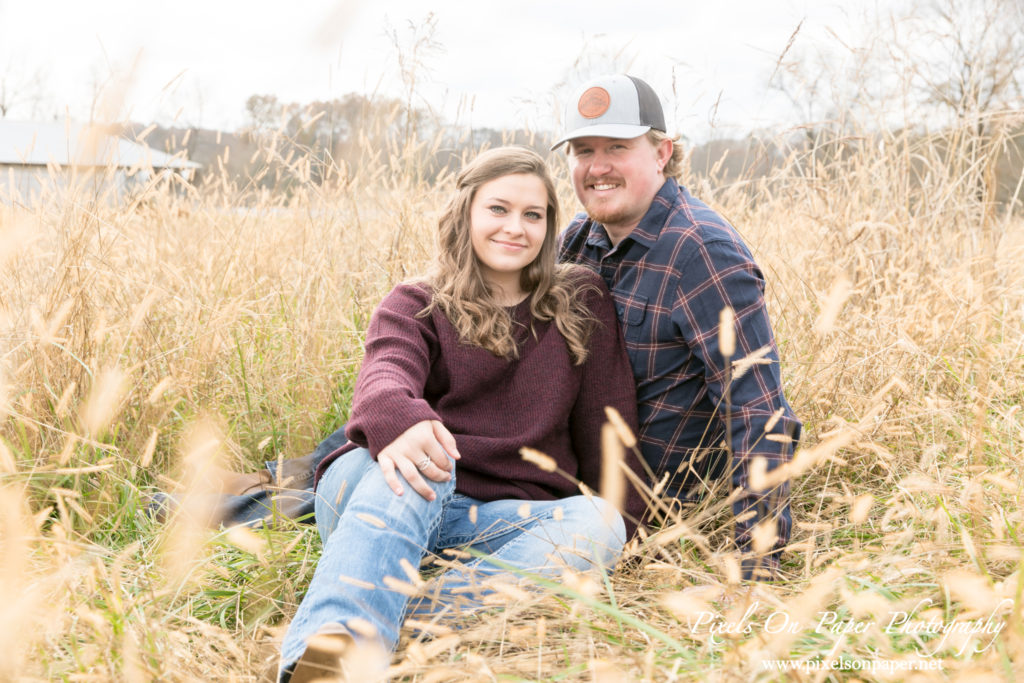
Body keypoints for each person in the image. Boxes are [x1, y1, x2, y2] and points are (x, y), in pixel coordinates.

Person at [277, 146, 647, 682]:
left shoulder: (578, 301)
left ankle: (367, 628)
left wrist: (629, 537)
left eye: (533, 215)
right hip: (384, 495)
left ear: (549, 226)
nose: (515, 228)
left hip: (501, 526)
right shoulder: (416, 301)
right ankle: (338, 655)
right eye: (498, 209)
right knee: (429, 453)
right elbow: (384, 378)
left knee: (600, 523)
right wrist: (404, 422)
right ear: (466, 214)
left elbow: (608, 431)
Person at [553, 74, 802, 581]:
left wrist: (754, 570)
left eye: (617, 147)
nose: (597, 167)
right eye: (583, 150)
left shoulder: (701, 252)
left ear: (662, 152)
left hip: (647, 518)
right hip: (565, 484)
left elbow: (759, 412)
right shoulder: (579, 239)